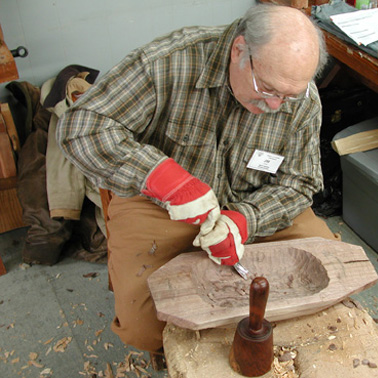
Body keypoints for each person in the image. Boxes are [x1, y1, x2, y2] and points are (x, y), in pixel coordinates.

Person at [57, 3, 339, 354]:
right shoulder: (168, 62)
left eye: (288, 95)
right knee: (146, 327)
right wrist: (163, 178)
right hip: (162, 206)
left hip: (255, 200)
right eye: (267, 88)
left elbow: (301, 181)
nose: (276, 105)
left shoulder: (298, 96)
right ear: (240, 51)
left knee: (327, 276)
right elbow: (81, 128)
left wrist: (244, 220)